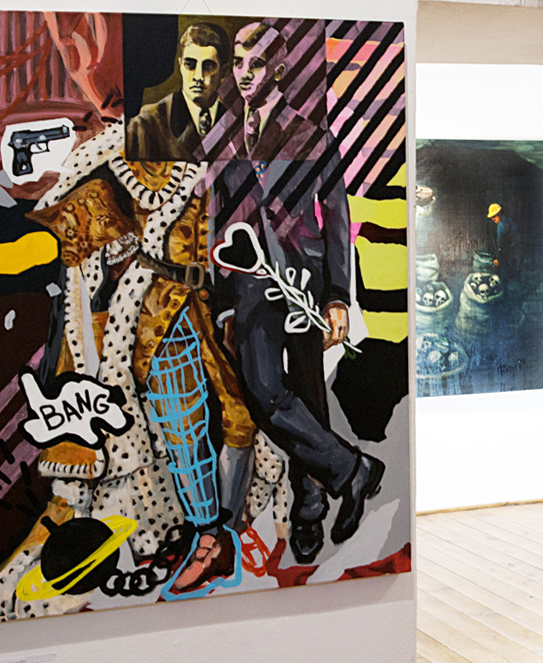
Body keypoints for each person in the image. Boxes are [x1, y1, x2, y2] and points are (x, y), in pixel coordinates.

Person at [217, 21, 384, 564]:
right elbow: (221, 220)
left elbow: (337, 217)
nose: (244, 74)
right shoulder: (226, 138)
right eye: (238, 63)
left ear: (279, 70)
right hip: (249, 283)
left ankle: (309, 506)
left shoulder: (312, 136)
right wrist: (224, 303)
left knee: (309, 394)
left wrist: (337, 295)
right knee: (264, 392)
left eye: (256, 64)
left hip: (305, 282)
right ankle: (352, 469)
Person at [126, 23, 232, 162]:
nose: (198, 77)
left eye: (208, 66)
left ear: (223, 72)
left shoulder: (237, 123)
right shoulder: (146, 124)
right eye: (190, 65)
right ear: (180, 65)